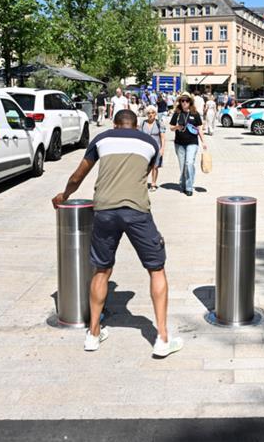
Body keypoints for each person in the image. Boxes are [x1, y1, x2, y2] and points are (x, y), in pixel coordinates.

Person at [51, 109, 183, 358]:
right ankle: (163, 338)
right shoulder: (150, 142)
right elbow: (148, 171)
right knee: (156, 269)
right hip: (137, 211)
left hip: (105, 211)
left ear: (114, 124)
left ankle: (92, 334)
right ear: (136, 126)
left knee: (102, 270)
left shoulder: (101, 139)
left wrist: (63, 195)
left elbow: (79, 175)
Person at [169, 93, 207, 196]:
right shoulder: (177, 113)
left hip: (192, 142)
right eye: (182, 101)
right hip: (179, 144)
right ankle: (183, 183)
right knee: (183, 166)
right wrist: (177, 127)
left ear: (190, 102)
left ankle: (189, 187)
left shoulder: (195, 113)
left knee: (189, 163)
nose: (184, 103)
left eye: (186, 100)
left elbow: (199, 128)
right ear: (180, 102)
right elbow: (171, 127)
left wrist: (203, 141)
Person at [140, 106, 166, 191]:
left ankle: (153, 183)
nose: (151, 115)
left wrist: (162, 148)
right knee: (145, 166)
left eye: (152, 113)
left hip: (156, 148)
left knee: (155, 166)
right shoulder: (143, 123)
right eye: (149, 113)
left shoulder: (159, 123)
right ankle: (142, 182)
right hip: (145, 149)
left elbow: (162, 137)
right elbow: (139, 136)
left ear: (155, 113)